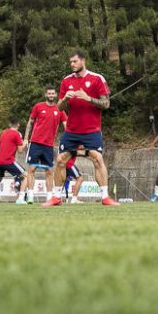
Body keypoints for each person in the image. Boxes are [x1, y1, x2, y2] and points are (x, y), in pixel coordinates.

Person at [45, 49, 118, 206]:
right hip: (71, 131)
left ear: (83, 61)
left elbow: (106, 104)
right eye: (70, 62)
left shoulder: (97, 79)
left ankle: (105, 197)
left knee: (98, 159)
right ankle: (56, 197)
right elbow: (59, 107)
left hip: (92, 130)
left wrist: (88, 98)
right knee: (60, 160)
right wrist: (64, 98)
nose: (72, 64)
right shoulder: (66, 81)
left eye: (75, 61)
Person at [23, 86, 67, 203]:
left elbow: (66, 125)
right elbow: (30, 122)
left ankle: (49, 197)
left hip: (49, 145)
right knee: (32, 169)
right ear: (46, 94)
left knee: (49, 171)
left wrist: (70, 139)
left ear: (56, 95)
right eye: (49, 93)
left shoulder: (60, 109)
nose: (51, 95)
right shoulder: (38, 106)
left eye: (53, 93)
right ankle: (30, 196)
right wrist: (26, 138)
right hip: (35, 143)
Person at [0, 118, 27, 204]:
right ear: (18, 125)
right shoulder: (17, 134)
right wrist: (25, 144)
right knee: (25, 176)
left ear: (10, 125)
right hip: (8, 160)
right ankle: (20, 198)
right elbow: (20, 151)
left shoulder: (3, 133)